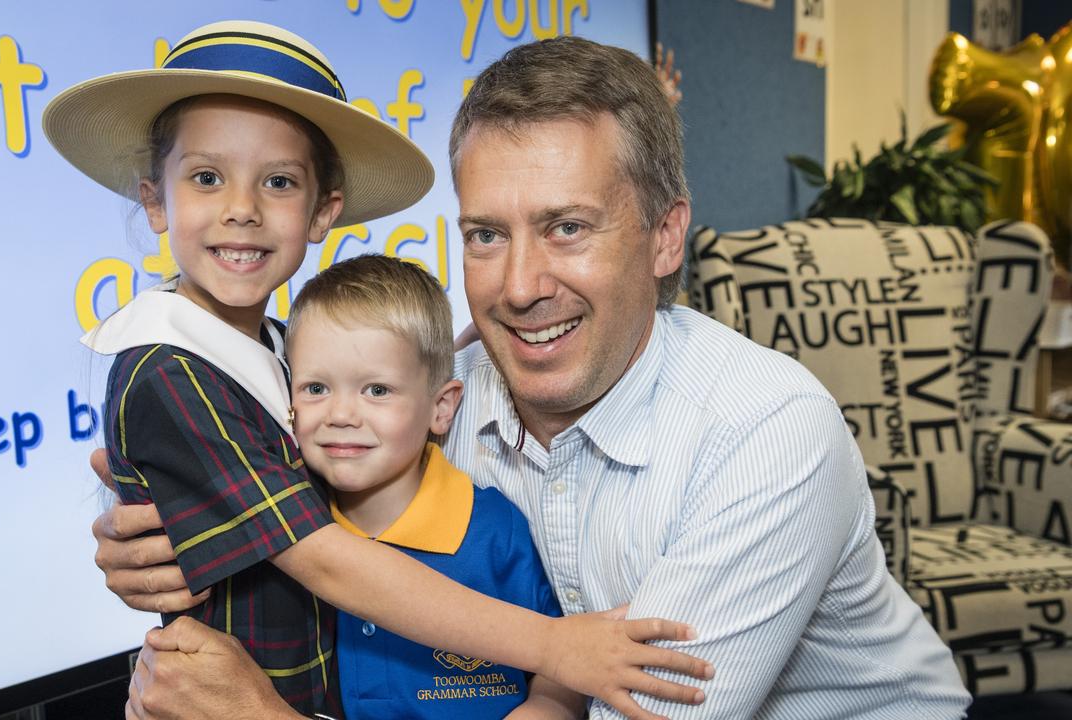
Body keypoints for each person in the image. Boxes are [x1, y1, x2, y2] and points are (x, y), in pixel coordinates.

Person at [91, 35, 973, 719]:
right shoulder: (435, 396)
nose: (519, 287)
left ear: (666, 237)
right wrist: (166, 538)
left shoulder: (765, 432)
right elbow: (280, 501)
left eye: (567, 229)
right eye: (486, 235)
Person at [47, 21, 712, 720]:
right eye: (207, 177)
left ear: (321, 211)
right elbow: (327, 559)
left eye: (277, 181)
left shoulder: (280, 344)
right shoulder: (169, 369)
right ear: (155, 200)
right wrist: (556, 647)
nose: (241, 210)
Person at [287, 254, 584, 719]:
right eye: (316, 389)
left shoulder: (495, 531)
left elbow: (562, 658)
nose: (341, 415)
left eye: (377, 390)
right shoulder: (294, 529)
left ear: (441, 408)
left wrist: (547, 706)